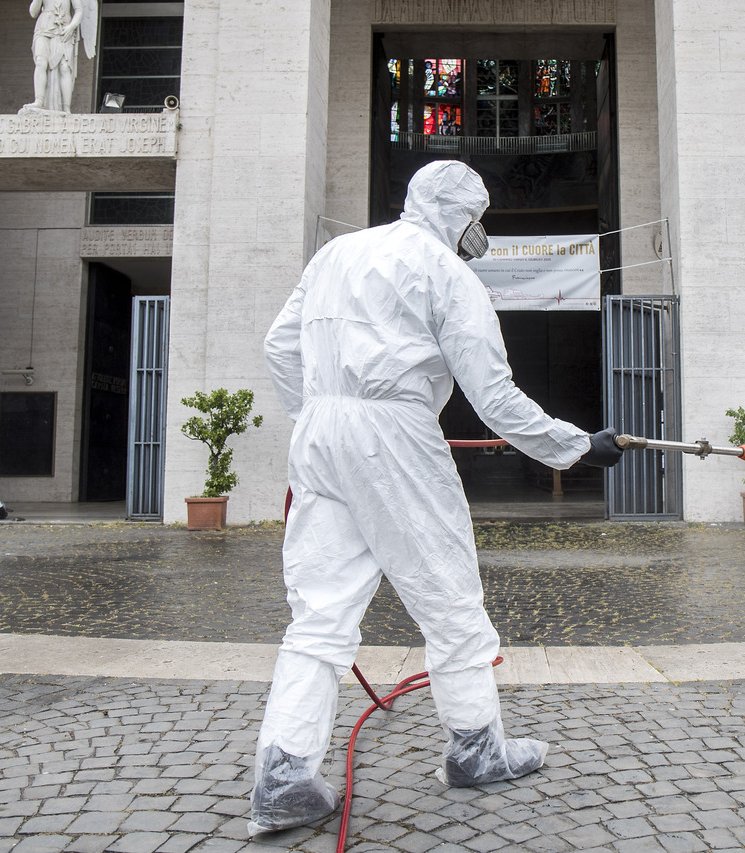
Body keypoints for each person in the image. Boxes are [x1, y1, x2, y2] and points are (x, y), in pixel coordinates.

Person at [251, 160, 624, 834]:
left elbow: (280, 344)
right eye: (478, 219)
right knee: (450, 598)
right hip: (394, 435)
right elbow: (497, 400)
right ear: (462, 216)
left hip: (320, 434)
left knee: (319, 614)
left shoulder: (338, 251)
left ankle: (284, 777)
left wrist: (317, 414)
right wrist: (577, 446)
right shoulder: (449, 275)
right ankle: (476, 747)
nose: (478, 232)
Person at [28, 0, 85, 113]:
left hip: (63, 28)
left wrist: (72, 27)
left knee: (65, 67)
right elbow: (33, 12)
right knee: (41, 62)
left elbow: (79, 10)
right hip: (44, 26)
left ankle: (65, 108)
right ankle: (39, 100)